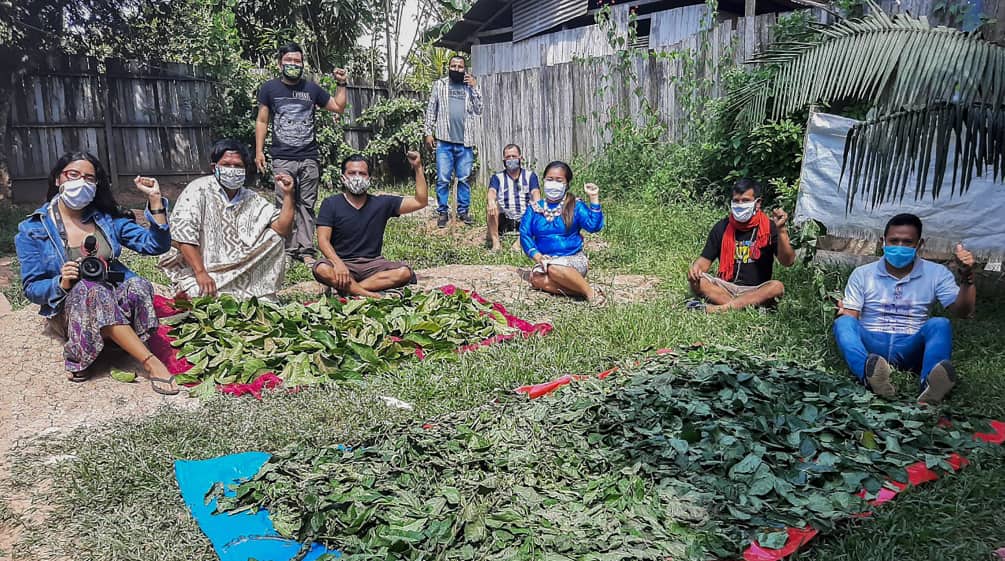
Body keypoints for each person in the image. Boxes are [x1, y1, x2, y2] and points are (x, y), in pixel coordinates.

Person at [15, 152, 177, 394]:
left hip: (114, 297)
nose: (81, 182)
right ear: (58, 179)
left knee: (139, 285)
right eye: (73, 174)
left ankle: (118, 342)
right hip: (73, 307)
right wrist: (62, 282)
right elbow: (32, 288)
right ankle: (149, 361)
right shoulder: (33, 229)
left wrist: (155, 200)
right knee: (93, 291)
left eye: (89, 178)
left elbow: (155, 245)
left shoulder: (106, 219)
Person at [833, 214, 976, 405]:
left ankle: (931, 386)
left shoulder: (936, 273)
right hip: (872, 347)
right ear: (882, 242)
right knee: (843, 322)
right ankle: (870, 375)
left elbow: (963, 312)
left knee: (940, 323)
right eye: (894, 241)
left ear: (919, 244)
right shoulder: (863, 274)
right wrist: (843, 314)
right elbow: (851, 316)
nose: (899, 246)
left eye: (907, 242)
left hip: (911, 345)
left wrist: (967, 277)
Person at [158, 140, 296, 301]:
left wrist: (288, 195)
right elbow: (183, 237)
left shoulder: (250, 198)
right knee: (197, 295)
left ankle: (258, 291)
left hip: (239, 267)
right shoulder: (197, 190)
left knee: (274, 238)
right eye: (226, 165)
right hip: (201, 267)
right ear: (214, 168)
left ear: (245, 170)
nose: (232, 170)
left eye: (237, 166)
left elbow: (282, 229)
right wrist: (201, 273)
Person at [255, 42, 349, 263]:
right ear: (280, 63)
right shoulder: (269, 89)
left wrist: (341, 83)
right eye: (289, 60)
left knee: (306, 204)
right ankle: (286, 250)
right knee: (283, 204)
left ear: (303, 63)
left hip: (309, 157)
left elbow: (338, 107)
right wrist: (259, 151)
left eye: (297, 61)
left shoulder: (312, 89)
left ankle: (306, 250)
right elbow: (262, 120)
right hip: (282, 158)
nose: (293, 64)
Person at [312, 152, 428, 298]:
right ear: (343, 177)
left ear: (369, 178)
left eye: (362, 173)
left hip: (373, 265)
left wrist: (417, 167)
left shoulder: (381, 203)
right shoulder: (331, 204)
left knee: (404, 272)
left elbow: (420, 201)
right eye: (352, 173)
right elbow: (323, 240)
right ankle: (373, 296)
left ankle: (351, 291)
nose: (357, 177)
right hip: (342, 263)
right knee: (321, 268)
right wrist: (338, 264)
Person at [687, 179, 795, 312]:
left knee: (776, 287)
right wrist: (695, 270)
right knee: (698, 282)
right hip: (725, 287)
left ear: (758, 203)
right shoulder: (722, 227)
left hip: (756, 290)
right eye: (736, 201)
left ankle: (718, 309)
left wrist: (782, 231)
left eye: (745, 201)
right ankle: (746, 307)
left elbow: (788, 261)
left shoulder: (770, 227)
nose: (740, 205)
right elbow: (703, 262)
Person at [519, 161, 605, 303]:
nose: (553, 184)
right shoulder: (534, 208)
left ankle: (591, 294)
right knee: (536, 279)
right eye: (549, 179)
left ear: (567, 183)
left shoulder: (575, 205)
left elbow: (593, 226)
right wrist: (538, 256)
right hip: (545, 260)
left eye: (559, 180)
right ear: (544, 180)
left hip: (572, 259)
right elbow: (525, 234)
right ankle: (584, 290)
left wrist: (594, 198)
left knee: (553, 268)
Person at [424, 55, 482, 228]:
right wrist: (428, 132)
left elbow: (479, 109)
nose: (456, 69)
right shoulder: (439, 85)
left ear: (465, 68)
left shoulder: (470, 86)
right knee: (443, 178)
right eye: (453, 66)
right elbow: (431, 110)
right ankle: (443, 212)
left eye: (460, 66)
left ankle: (463, 212)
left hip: (465, 142)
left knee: (464, 179)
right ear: (448, 67)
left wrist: (475, 87)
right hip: (444, 141)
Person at [487, 144, 540, 251]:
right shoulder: (497, 177)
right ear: (503, 159)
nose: (511, 159)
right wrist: (491, 201)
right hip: (505, 218)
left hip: (525, 217)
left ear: (520, 158)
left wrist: (537, 202)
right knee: (492, 206)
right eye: (508, 157)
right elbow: (492, 191)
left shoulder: (530, 176)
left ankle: (519, 243)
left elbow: (535, 192)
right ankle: (496, 244)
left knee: (537, 208)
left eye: (514, 156)